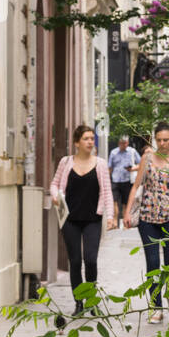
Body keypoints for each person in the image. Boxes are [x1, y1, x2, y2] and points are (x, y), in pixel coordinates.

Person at [124, 120, 169, 324]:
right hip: (148, 217)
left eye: (166, 140)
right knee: (152, 263)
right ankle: (156, 306)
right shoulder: (147, 158)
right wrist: (127, 212)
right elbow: (136, 186)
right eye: (159, 140)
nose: (162, 143)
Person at [50, 124, 115, 315]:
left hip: (93, 219)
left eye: (92, 138)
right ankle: (78, 303)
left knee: (91, 259)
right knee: (76, 261)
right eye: (86, 139)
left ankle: (92, 301)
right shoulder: (66, 162)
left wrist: (110, 216)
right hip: (69, 218)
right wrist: (55, 196)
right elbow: (54, 184)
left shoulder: (101, 164)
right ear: (77, 142)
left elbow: (107, 192)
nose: (90, 142)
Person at [107, 134, 140, 224]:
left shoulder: (132, 151)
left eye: (125, 143)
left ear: (128, 143)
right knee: (114, 202)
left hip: (127, 180)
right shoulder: (113, 152)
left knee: (125, 203)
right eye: (122, 143)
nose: (124, 145)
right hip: (115, 180)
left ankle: (126, 222)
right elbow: (110, 167)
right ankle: (114, 222)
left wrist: (133, 168)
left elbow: (141, 164)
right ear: (119, 143)